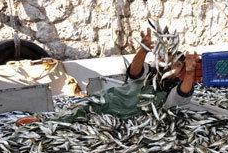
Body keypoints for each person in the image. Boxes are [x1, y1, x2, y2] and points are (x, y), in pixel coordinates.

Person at [57, 28, 197, 122]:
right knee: (72, 113)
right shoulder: (150, 71)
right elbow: (135, 72)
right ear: (160, 59)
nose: (172, 65)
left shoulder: (173, 88)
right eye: (169, 59)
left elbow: (182, 94)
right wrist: (143, 50)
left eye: (178, 65)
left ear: (181, 72)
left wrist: (190, 73)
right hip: (107, 101)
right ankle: (43, 120)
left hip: (122, 118)